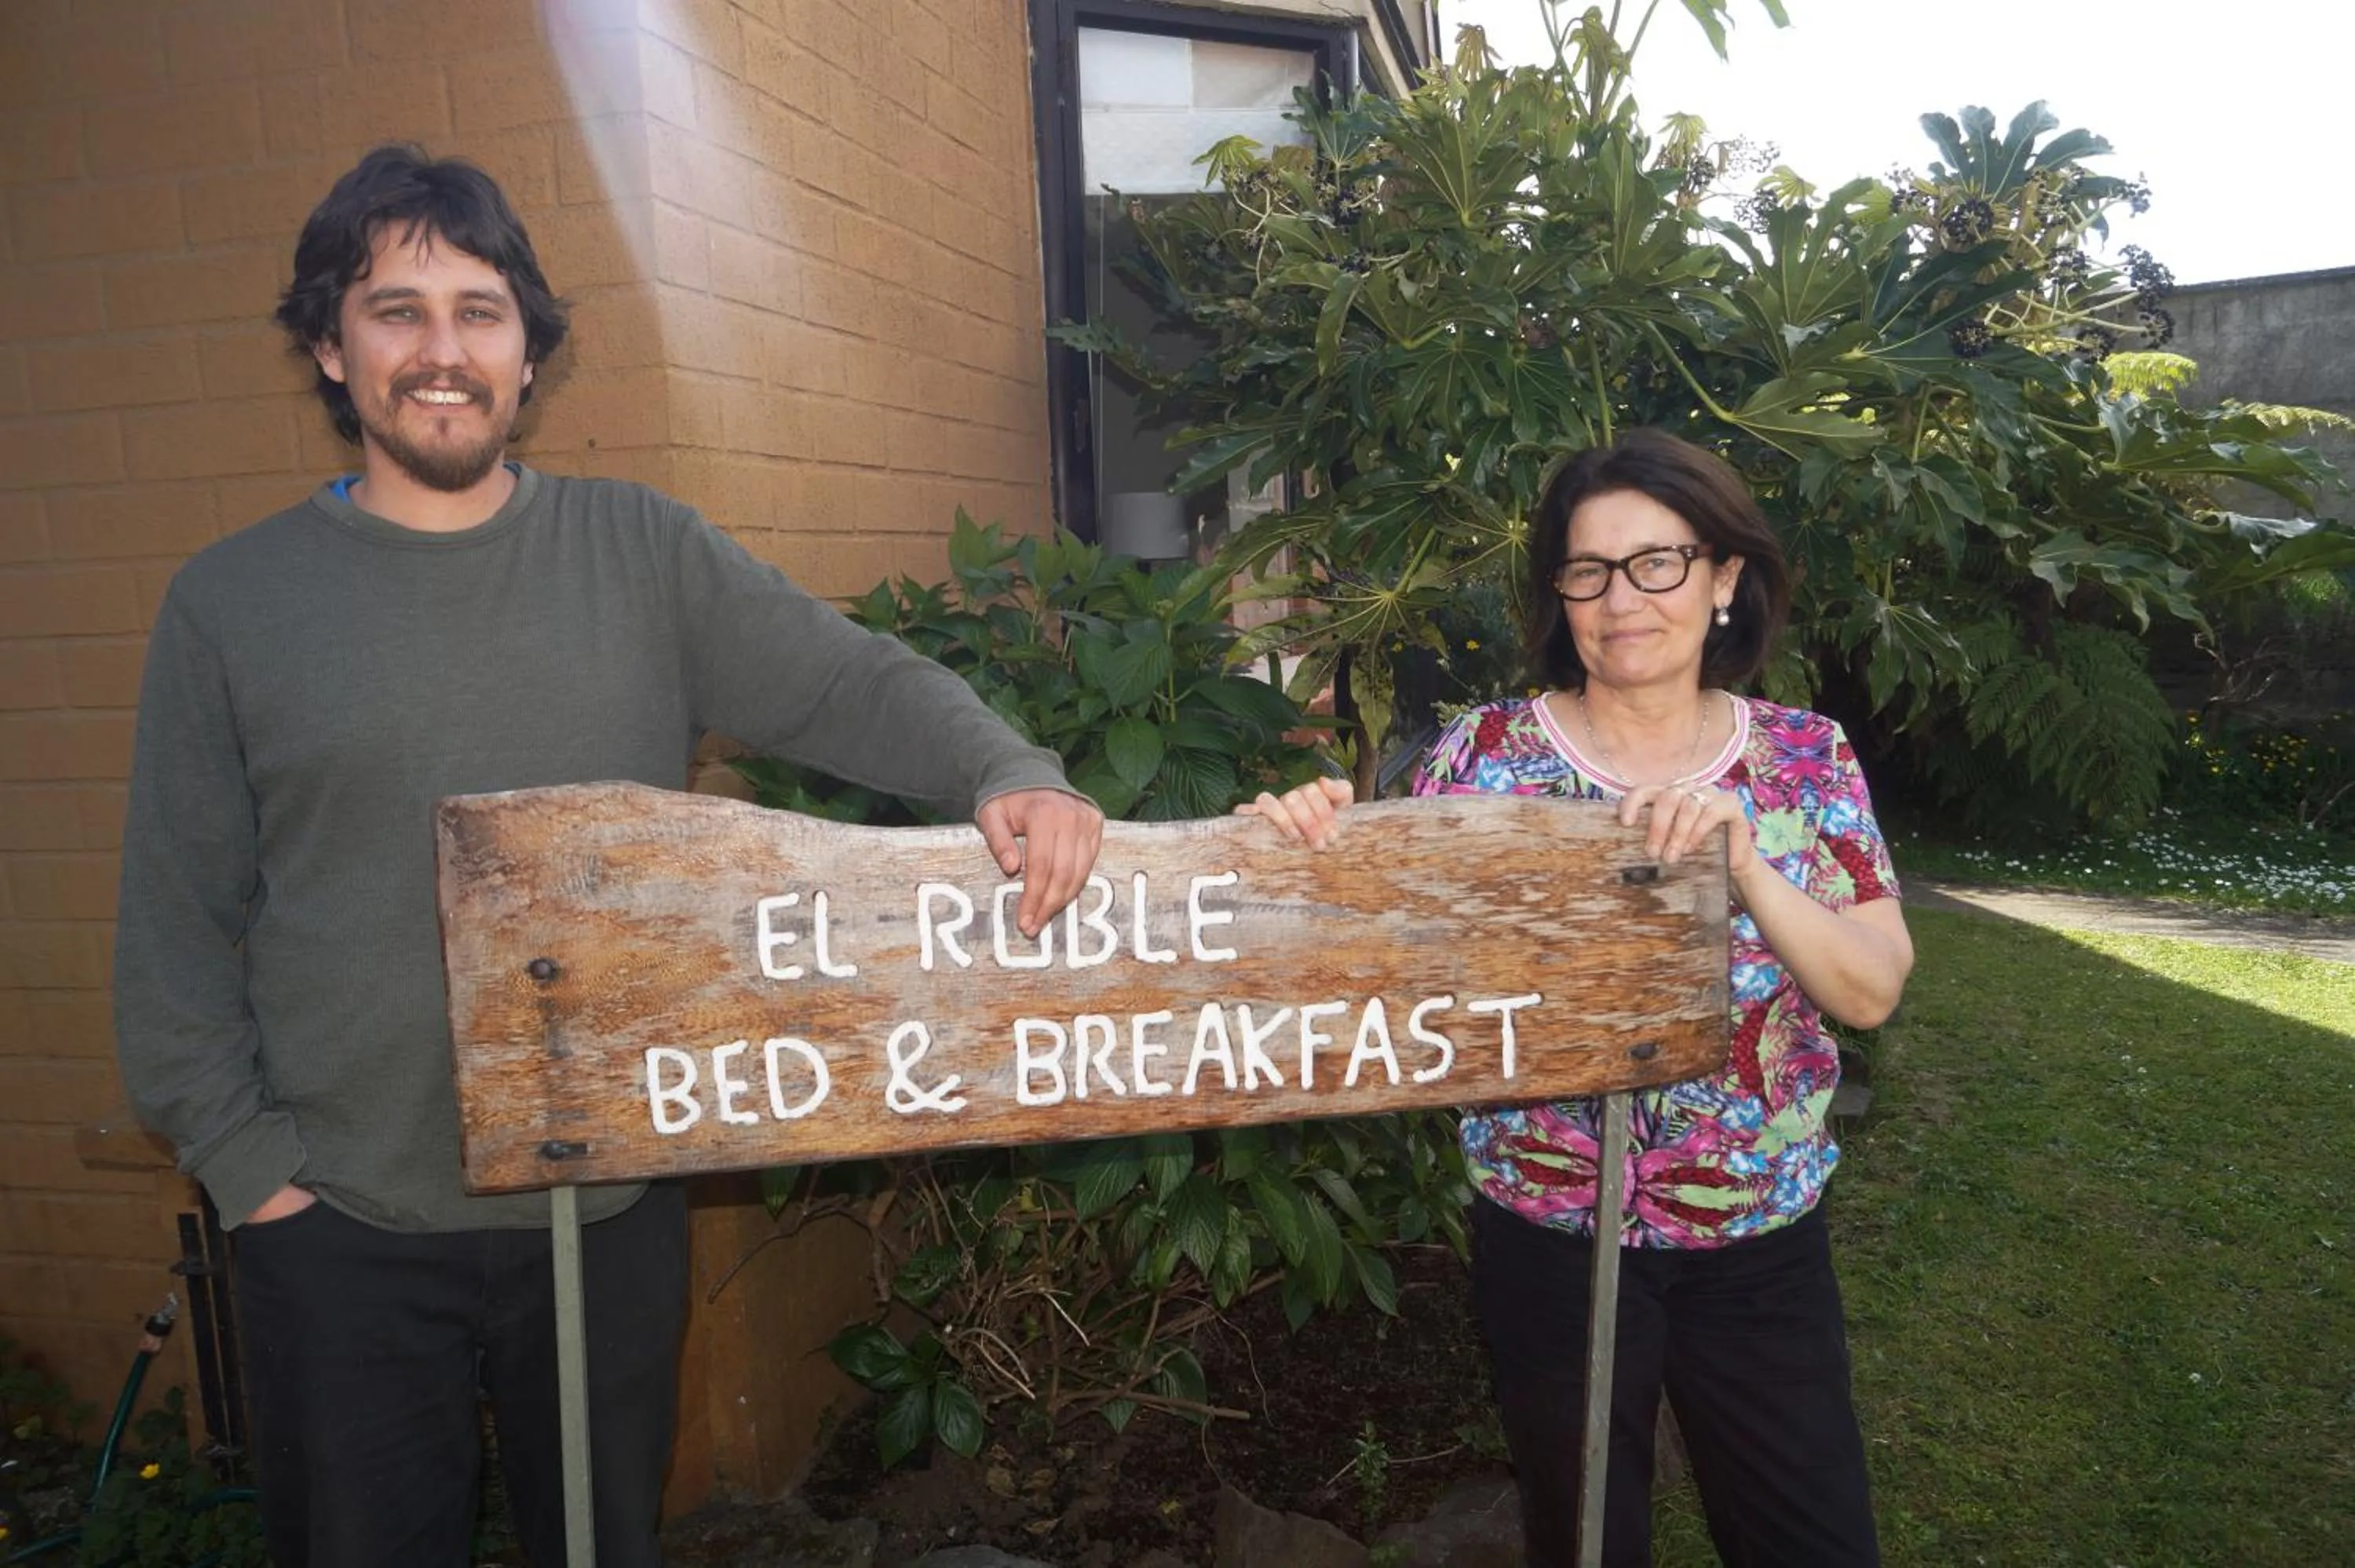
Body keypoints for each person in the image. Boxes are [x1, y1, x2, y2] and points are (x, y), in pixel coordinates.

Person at [112, 144, 1104, 1568]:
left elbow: (846, 682)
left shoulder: (639, 553)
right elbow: (175, 932)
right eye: (398, 311)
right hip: (343, 1225)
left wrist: (1006, 768)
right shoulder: (231, 606)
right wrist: (258, 1176)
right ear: (331, 347)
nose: (442, 351)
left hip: (605, 1210)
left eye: (481, 310)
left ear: (529, 350)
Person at [1243, 428, 1914, 1566]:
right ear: (1560, 590)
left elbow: (1871, 989)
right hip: (1549, 1231)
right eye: (1588, 569)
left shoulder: (1805, 759)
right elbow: (1370, 949)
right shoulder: (1484, 756)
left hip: (1758, 1234)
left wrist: (1743, 864)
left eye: (1657, 561)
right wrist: (1297, 851)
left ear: (1724, 578)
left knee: (1812, 1535)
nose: (1622, 598)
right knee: (1586, 1536)